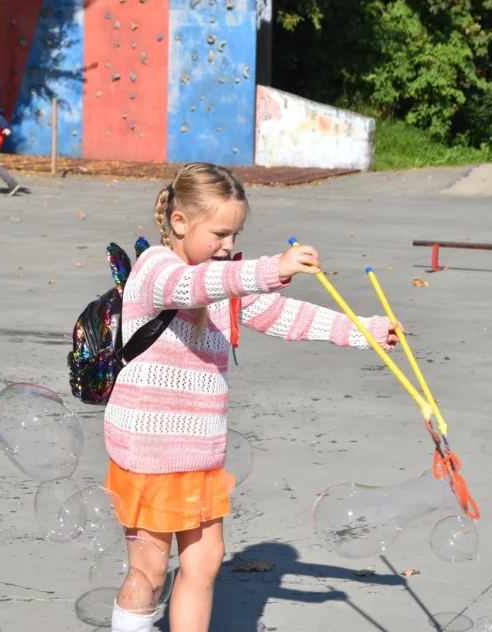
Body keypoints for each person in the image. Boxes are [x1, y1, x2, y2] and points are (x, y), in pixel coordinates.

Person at [103, 162, 404, 632]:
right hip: (150, 452)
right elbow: (191, 288)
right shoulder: (156, 270)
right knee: (151, 572)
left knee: (205, 566)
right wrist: (271, 268)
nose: (228, 246)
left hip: (200, 451)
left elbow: (287, 315)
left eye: (235, 234)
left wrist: (364, 330)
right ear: (180, 223)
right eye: (219, 234)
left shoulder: (226, 278)